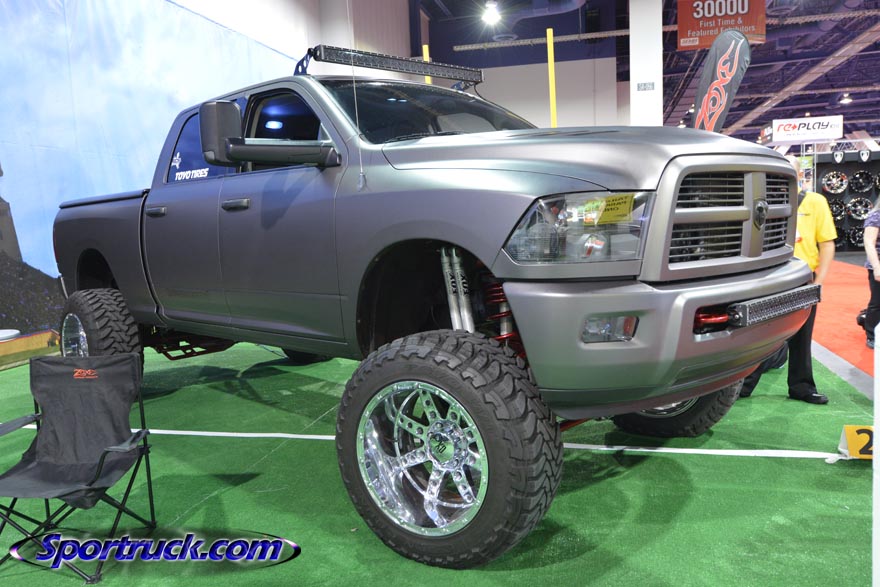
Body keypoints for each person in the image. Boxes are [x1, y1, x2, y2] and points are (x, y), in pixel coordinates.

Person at [738, 155, 837, 404]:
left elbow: (827, 243)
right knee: (759, 332)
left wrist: (819, 280)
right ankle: (745, 384)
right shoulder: (761, 202)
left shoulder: (815, 202)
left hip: (803, 277)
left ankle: (802, 386)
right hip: (769, 277)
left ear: (798, 175)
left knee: (802, 335)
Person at [863, 200, 880, 349]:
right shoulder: (876, 216)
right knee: (877, 302)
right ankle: (871, 335)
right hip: (878, 264)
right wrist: (877, 267)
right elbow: (869, 243)